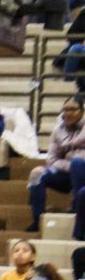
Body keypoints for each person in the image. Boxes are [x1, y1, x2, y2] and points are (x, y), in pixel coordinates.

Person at [28, 95, 85, 234]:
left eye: (72, 109)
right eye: (65, 109)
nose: (68, 113)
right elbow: (52, 160)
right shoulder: (58, 130)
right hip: (66, 174)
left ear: (82, 111)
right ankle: (38, 219)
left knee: (78, 163)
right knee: (37, 173)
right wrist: (70, 166)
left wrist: (74, 163)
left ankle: (77, 209)